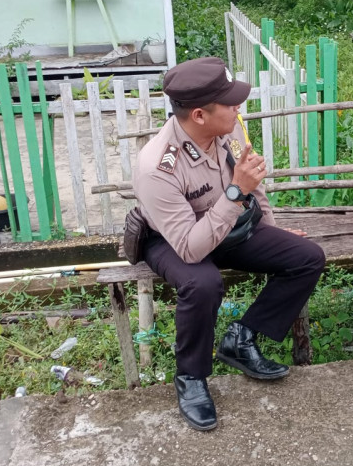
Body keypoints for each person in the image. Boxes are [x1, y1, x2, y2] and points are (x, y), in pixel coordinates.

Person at [133, 56, 325, 431]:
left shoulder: (229, 129)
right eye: (229, 101)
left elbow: (254, 184)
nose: (239, 107)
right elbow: (190, 248)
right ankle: (190, 376)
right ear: (200, 115)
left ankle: (242, 337)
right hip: (172, 240)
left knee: (306, 257)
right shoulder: (157, 166)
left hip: (227, 225)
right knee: (203, 283)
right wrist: (237, 191)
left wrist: (272, 229)